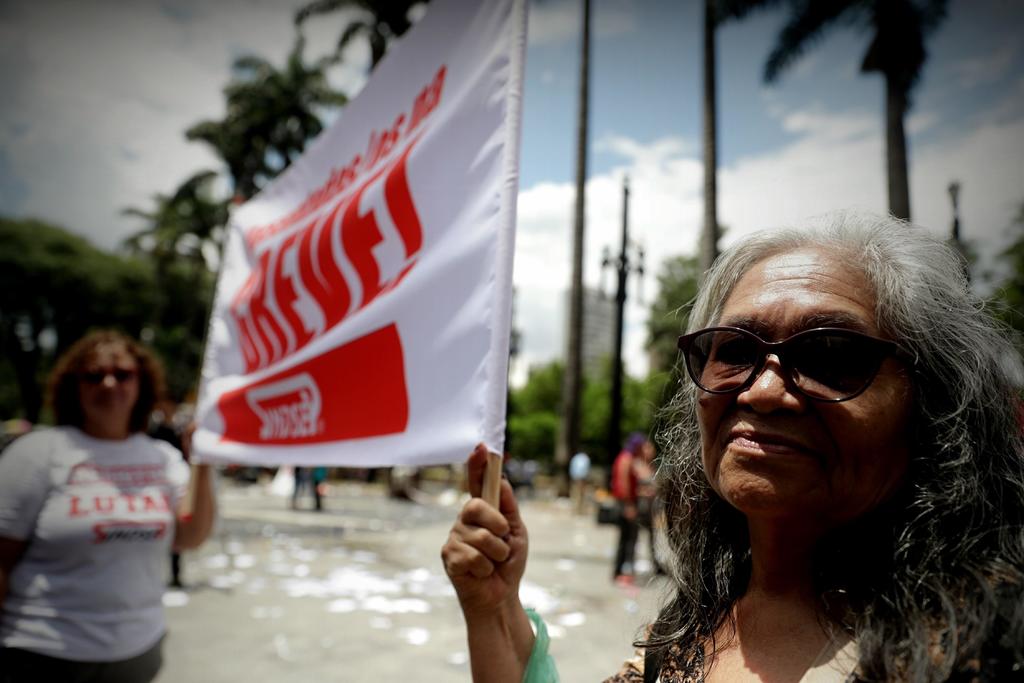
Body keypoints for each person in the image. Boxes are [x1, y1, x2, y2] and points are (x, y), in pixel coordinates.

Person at [441, 211, 1024, 682]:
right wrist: (494, 608)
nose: (764, 392)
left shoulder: (991, 644)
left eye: (829, 354)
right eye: (735, 351)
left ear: (933, 402)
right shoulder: (686, 636)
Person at [0, 330, 216, 683]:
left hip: (137, 654)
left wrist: (202, 461)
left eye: (123, 374)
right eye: (94, 375)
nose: (110, 383)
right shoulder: (37, 453)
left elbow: (189, 537)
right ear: (74, 386)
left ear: (142, 384)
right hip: (42, 655)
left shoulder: (161, 457)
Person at [611, 433, 648, 583]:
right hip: (626, 503)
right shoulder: (626, 458)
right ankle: (620, 571)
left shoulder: (629, 458)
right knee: (627, 538)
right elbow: (623, 482)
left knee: (627, 538)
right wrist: (629, 505)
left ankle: (621, 570)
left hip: (627, 501)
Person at [569, 451, 591, 515]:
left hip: (576, 477)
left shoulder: (575, 457)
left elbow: (572, 469)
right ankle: (579, 509)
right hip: (582, 478)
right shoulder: (585, 458)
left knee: (575, 493)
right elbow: (586, 470)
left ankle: (576, 509)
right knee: (581, 494)